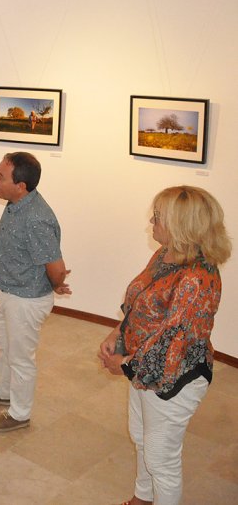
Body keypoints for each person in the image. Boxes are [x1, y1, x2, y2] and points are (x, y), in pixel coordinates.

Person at [98, 186, 230, 505]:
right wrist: (118, 332)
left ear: (181, 225)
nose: (151, 223)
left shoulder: (196, 278)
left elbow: (172, 341)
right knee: (141, 437)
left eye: (157, 217)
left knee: (161, 461)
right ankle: (142, 498)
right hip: (142, 366)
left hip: (174, 377)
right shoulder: (165, 254)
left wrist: (125, 364)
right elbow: (140, 299)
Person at [0, 152, 71, 432]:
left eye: (1, 177)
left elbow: (56, 266)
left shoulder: (36, 219)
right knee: (5, 347)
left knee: (21, 358)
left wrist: (56, 282)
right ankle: (2, 392)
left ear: (21, 186)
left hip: (26, 300)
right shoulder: (17, 203)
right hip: (10, 292)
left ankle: (19, 413)